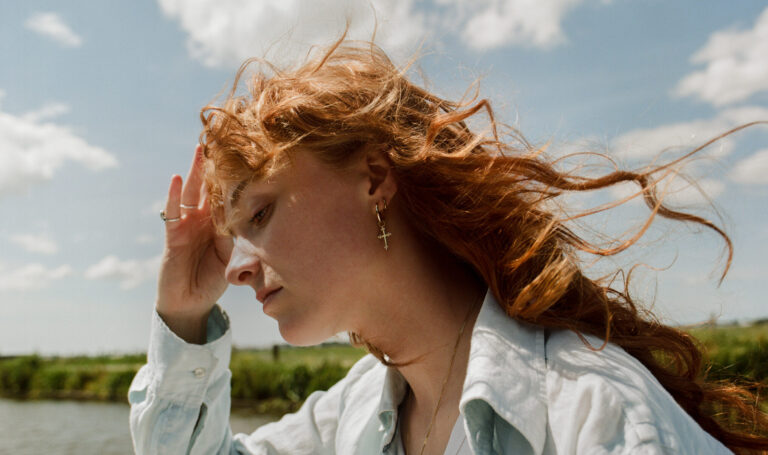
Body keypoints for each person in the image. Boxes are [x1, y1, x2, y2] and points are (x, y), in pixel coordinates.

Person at [129, 35, 768, 454]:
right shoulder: (351, 416)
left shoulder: (591, 414)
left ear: (375, 178)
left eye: (260, 213)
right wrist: (184, 317)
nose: (237, 269)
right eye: (233, 235)